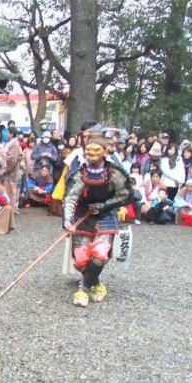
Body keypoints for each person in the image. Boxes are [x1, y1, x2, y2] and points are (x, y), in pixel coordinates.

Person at [62, 132, 133, 307]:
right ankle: (97, 284)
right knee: (80, 260)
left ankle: (83, 289)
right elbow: (70, 197)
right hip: (82, 213)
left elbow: (126, 196)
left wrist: (104, 206)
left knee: (100, 254)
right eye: (89, 149)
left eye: (96, 149)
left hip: (106, 214)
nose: (92, 153)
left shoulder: (114, 172)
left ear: (104, 152)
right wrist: (67, 221)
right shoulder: (80, 171)